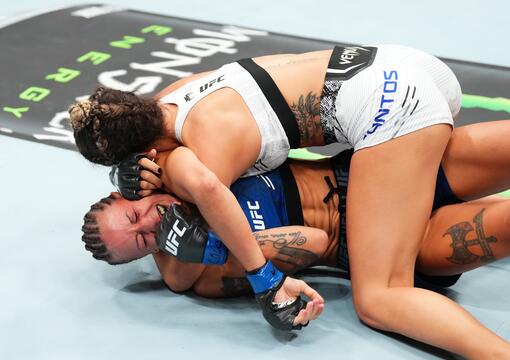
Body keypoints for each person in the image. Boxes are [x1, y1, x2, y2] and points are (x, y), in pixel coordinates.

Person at [69, 44, 465, 346]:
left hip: (387, 105)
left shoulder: (200, 160)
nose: (148, 220)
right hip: (397, 64)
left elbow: (205, 196)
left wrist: (266, 281)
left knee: (380, 299)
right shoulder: (171, 98)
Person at [83, 121, 510, 356]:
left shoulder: (182, 169)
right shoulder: (194, 275)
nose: (150, 225)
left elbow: (168, 114)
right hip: (377, 242)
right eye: (142, 241)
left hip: (371, 169)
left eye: (135, 215)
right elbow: (313, 240)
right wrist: (212, 245)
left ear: (129, 192)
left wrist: (131, 160)